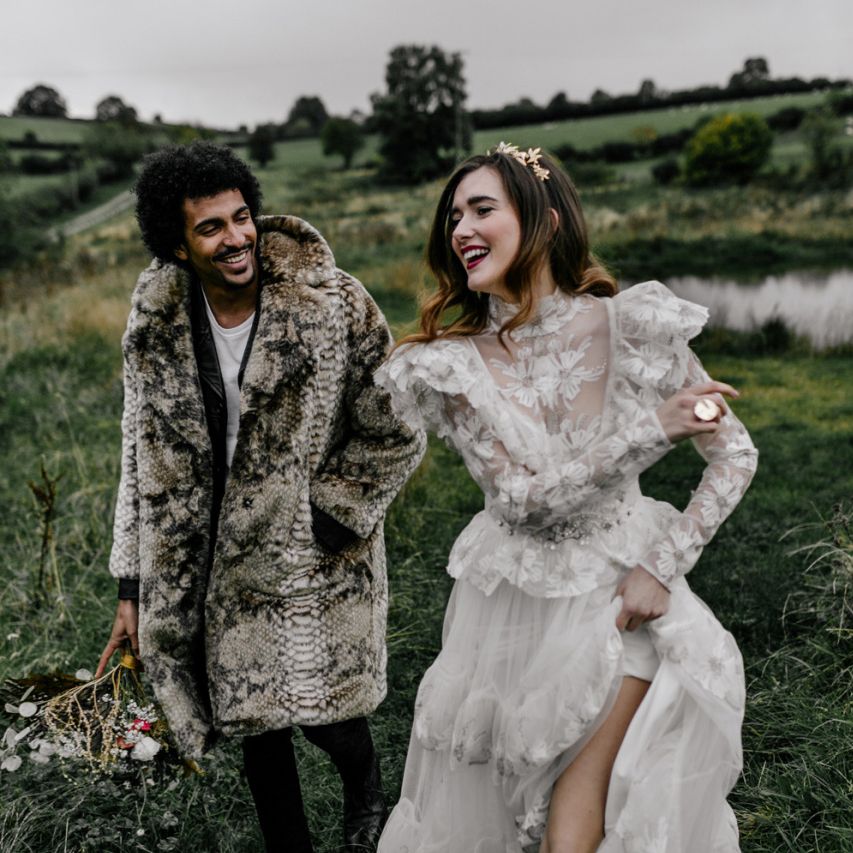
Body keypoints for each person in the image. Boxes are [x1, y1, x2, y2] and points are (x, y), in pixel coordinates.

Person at [373, 143, 758, 853]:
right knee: (499, 824)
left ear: (545, 222)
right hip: (507, 614)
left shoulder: (634, 328)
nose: (461, 230)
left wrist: (662, 566)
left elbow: (732, 451)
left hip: (619, 601)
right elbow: (520, 501)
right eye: (453, 217)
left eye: (481, 209)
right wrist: (652, 430)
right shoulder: (450, 365)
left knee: (572, 828)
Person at [96, 141, 425, 853]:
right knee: (253, 718)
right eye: (210, 227)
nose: (236, 237)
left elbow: (395, 424)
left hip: (311, 548)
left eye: (241, 217)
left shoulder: (333, 303)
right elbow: (137, 452)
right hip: (212, 556)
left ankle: (365, 787)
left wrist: (333, 514)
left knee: (328, 711)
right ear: (178, 246)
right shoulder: (156, 325)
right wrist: (132, 582)